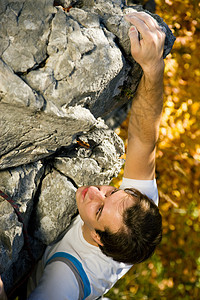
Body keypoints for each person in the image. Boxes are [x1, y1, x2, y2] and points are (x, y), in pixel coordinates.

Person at [0, 11, 166, 300]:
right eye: (111, 191)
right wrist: (154, 66)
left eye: (99, 210)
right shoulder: (134, 214)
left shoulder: (64, 280)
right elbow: (143, 139)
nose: (94, 193)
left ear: (99, 238)